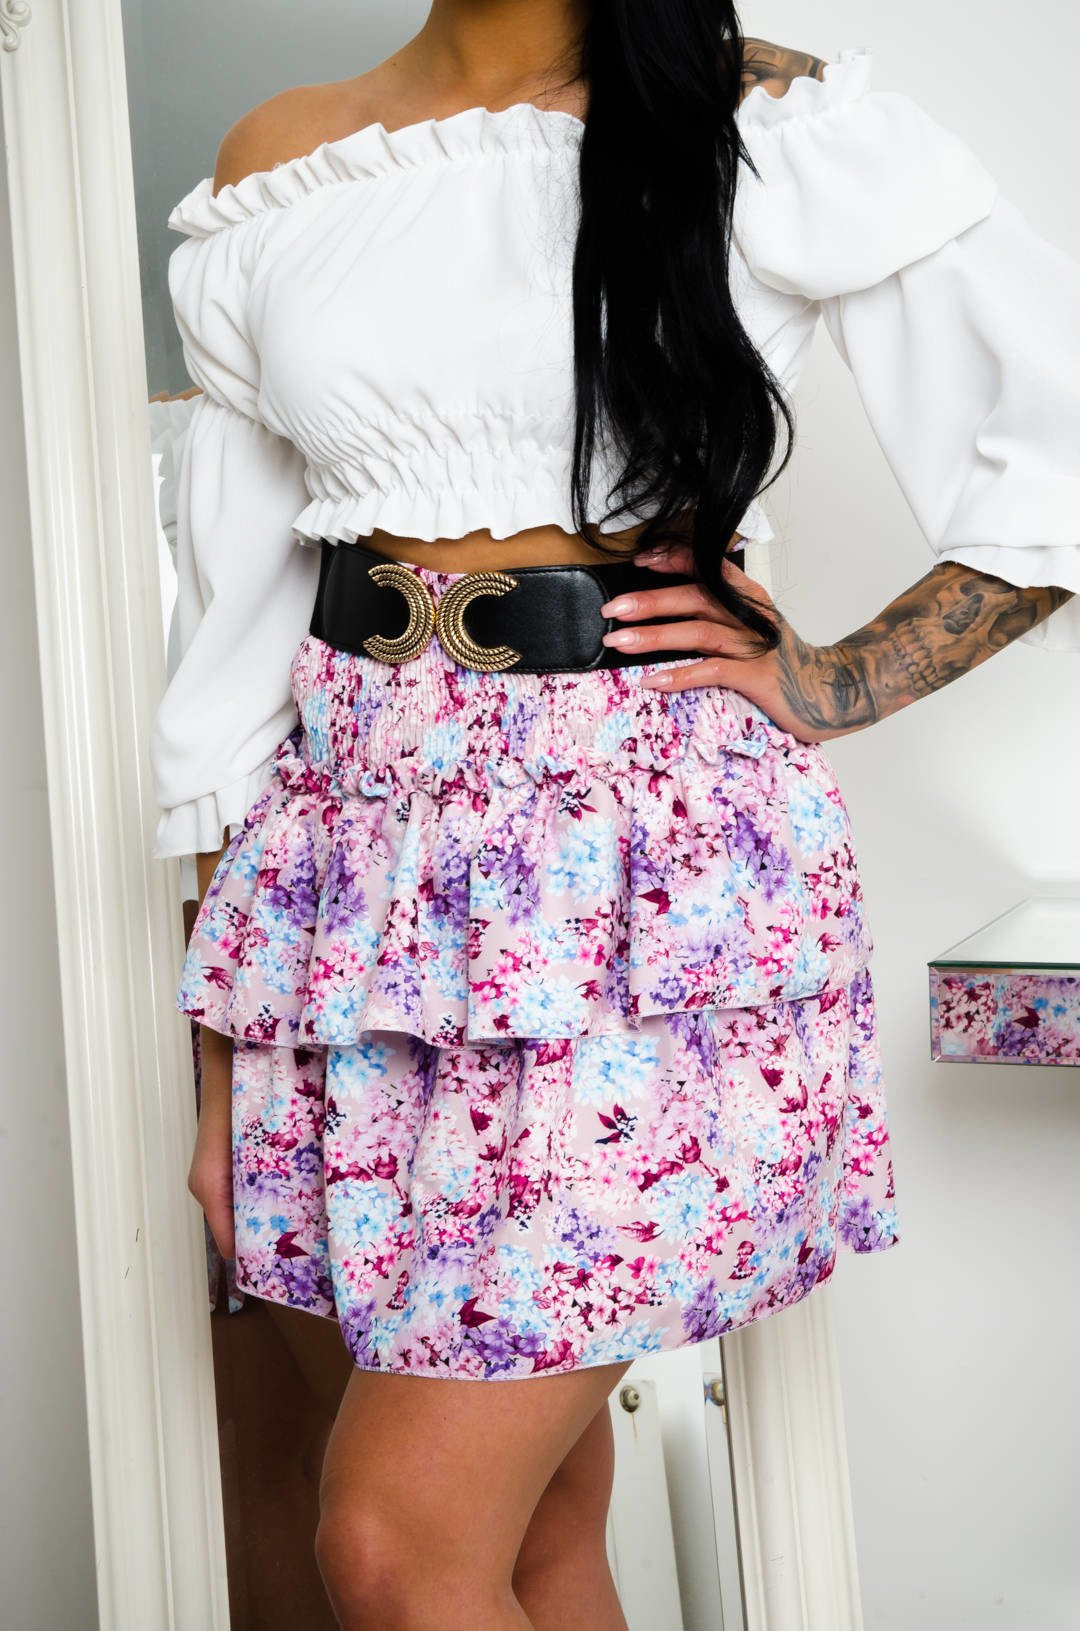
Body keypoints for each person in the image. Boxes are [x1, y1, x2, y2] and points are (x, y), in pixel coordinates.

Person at [148, 4, 1078, 1626]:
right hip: (346, 873)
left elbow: (1053, 447)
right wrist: (223, 1057)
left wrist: (832, 681)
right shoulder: (278, 163)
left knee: (393, 1546)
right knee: (532, 1537)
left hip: (638, 878)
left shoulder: (762, 116)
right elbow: (231, 646)